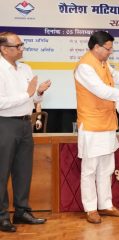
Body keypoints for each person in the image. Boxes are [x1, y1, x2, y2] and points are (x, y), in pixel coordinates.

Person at [74, 31, 119, 224]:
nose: (110, 52)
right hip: (90, 125)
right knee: (90, 169)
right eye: (108, 48)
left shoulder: (103, 63)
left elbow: (117, 76)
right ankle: (91, 208)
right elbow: (102, 90)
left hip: (106, 123)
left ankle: (106, 205)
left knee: (107, 168)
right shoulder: (85, 67)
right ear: (97, 47)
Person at [0, 32, 51, 232]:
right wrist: (27, 94)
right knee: (2, 172)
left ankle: (22, 211)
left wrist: (38, 93)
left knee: (23, 171)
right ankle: (2, 216)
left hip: (24, 124)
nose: (22, 49)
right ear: (4, 49)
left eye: (22, 45)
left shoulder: (25, 68)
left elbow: (33, 101)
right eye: (17, 46)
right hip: (4, 124)